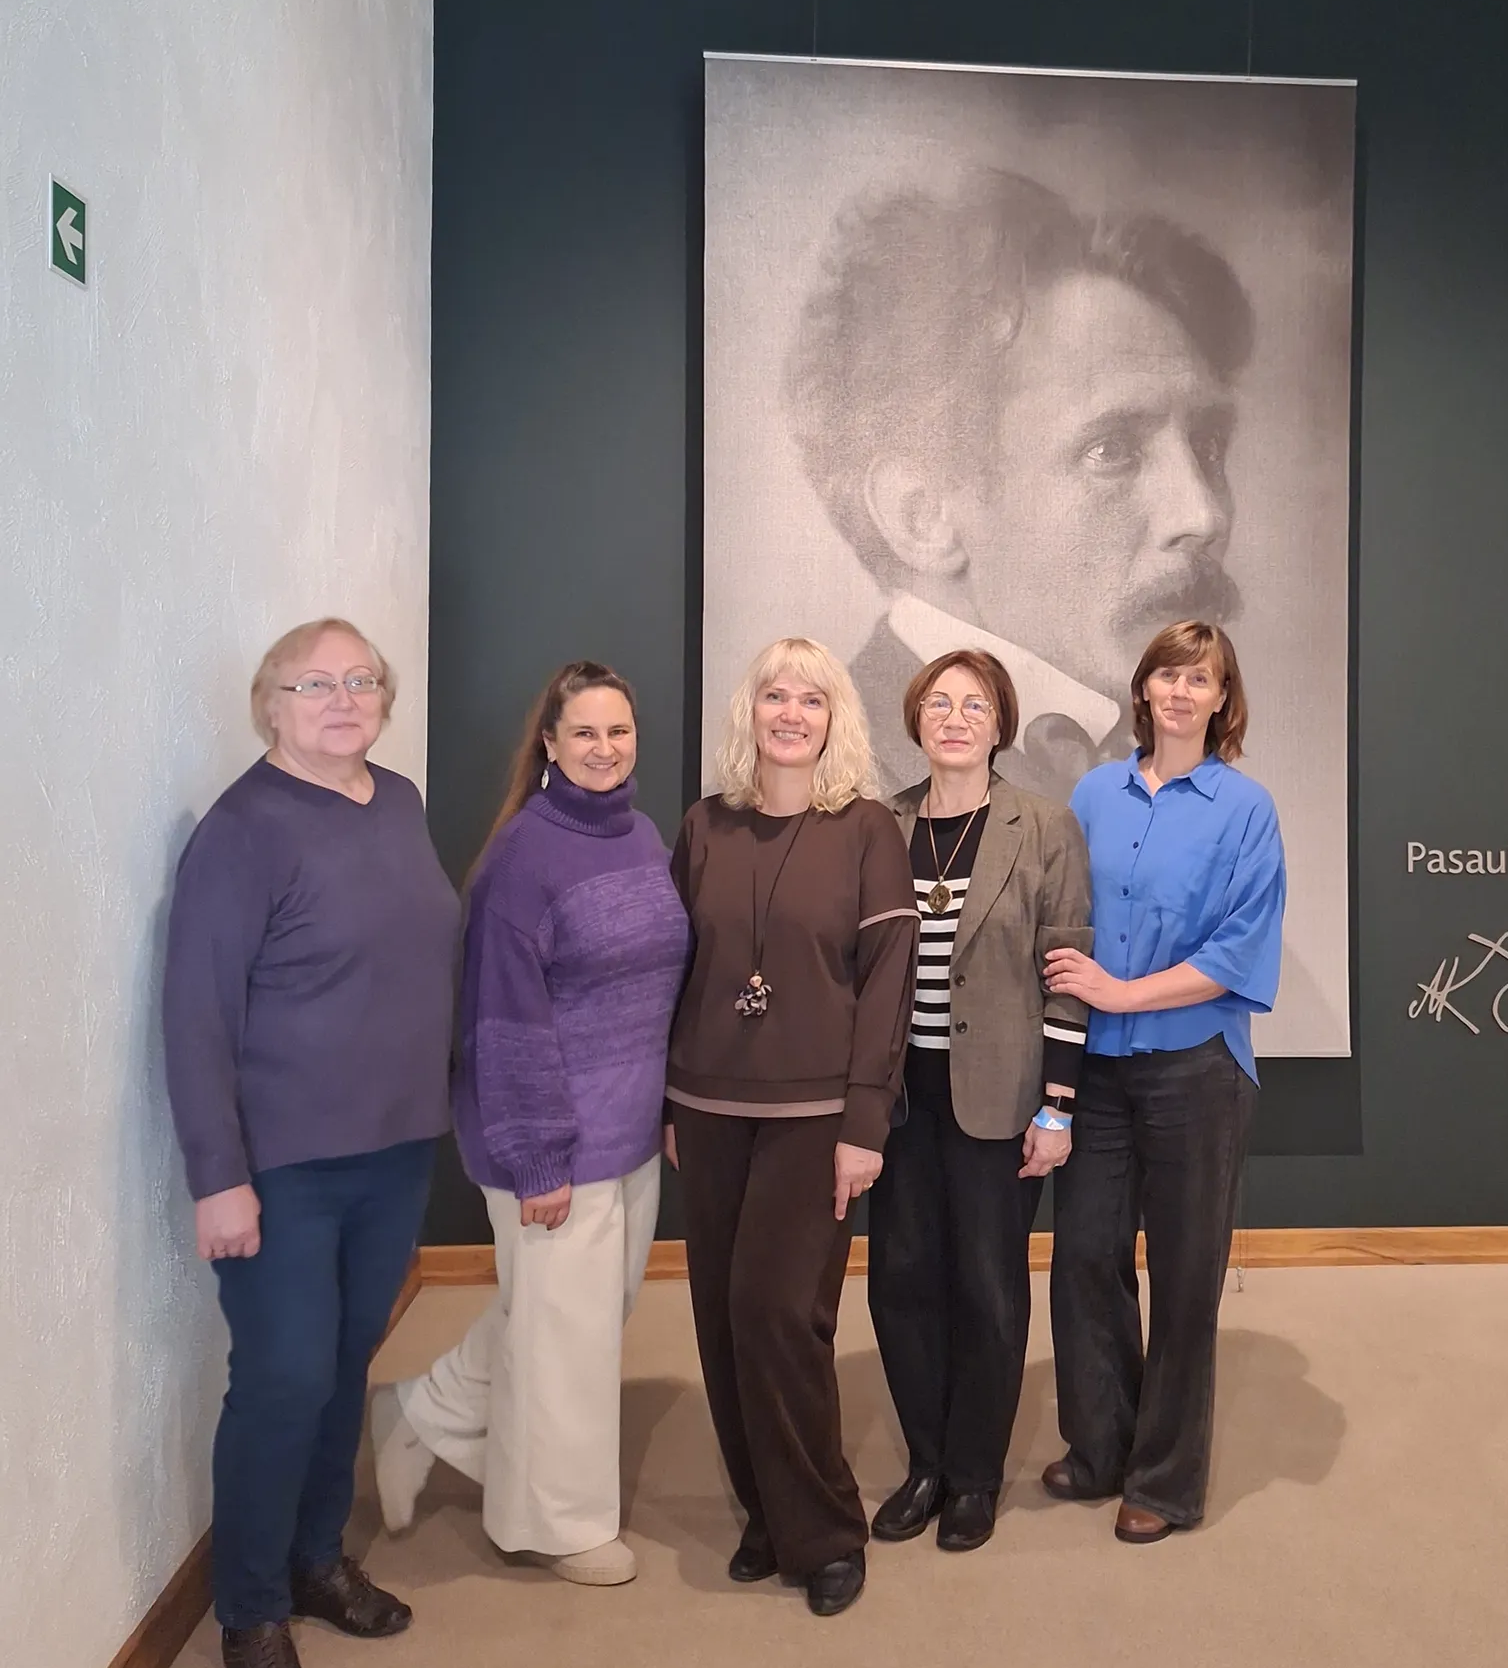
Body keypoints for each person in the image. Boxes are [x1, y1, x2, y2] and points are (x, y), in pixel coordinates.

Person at [162, 619, 460, 1668]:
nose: (342, 698)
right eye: (315, 683)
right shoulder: (240, 832)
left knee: (342, 1363)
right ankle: (249, 1610)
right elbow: (195, 1016)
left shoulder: (400, 800)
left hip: (393, 1148)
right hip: (282, 1166)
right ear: (270, 704)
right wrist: (218, 1176)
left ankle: (315, 1558)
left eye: (360, 679)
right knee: (283, 1377)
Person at [784, 168, 1254, 803]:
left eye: (1208, 447)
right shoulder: (813, 809)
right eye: (1111, 450)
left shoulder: (1154, 769)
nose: (1204, 514)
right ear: (923, 517)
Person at [369, 662, 689, 1587]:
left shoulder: (642, 835)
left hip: (630, 1131)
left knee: (567, 1319)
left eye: (618, 731)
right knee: (566, 1341)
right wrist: (539, 1158)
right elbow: (503, 1023)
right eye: (584, 732)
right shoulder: (521, 860)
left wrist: (667, 1106)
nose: (604, 748)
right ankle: (555, 1523)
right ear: (549, 742)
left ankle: (420, 1411)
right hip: (553, 1143)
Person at [665, 637, 916, 1616]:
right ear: (751, 710)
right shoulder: (705, 824)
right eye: (776, 694)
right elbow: (672, 969)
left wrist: (866, 1120)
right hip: (708, 1109)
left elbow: (887, 982)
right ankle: (767, 1515)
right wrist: (668, 1100)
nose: (792, 713)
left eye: (812, 699)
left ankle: (826, 1528)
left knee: (781, 1314)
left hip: (817, 1118)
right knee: (722, 1320)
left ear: (835, 718)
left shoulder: (866, 830)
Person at [1042, 620, 1284, 1545]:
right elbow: (1067, 915)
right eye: (1167, 675)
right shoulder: (1093, 793)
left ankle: (1166, 1479)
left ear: (1223, 699)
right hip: (1098, 1068)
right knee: (1085, 1257)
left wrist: (1124, 991)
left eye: (1201, 678)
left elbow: (1237, 950)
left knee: (1185, 1275)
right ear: (1143, 689)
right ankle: (1100, 1446)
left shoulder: (1246, 809)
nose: (1181, 692)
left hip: (1198, 1068)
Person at [866, 649, 1092, 1552]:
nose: (954, 718)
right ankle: (924, 1462)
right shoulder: (880, 826)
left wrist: (1059, 1106)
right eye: (938, 703)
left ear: (1001, 724)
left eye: (974, 705)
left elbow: (1067, 974)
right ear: (915, 719)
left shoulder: (1044, 827)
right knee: (900, 1282)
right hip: (898, 1103)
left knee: (989, 1290)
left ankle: (973, 1476)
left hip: (1000, 1101)